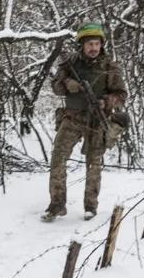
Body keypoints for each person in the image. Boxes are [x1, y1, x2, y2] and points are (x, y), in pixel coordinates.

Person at [41, 21, 128, 222]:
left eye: (97, 44)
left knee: (94, 164)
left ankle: (90, 206)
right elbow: (55, 86)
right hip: (72, 117)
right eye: (89, 44)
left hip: (97, 119)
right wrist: (67, 84)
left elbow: (122, 94)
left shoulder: (110, 67)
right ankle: (57, 205)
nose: (93, 48)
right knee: (58, 160)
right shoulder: (70, 64)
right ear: (82, 45)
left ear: (102, 45)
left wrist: (106, 101)